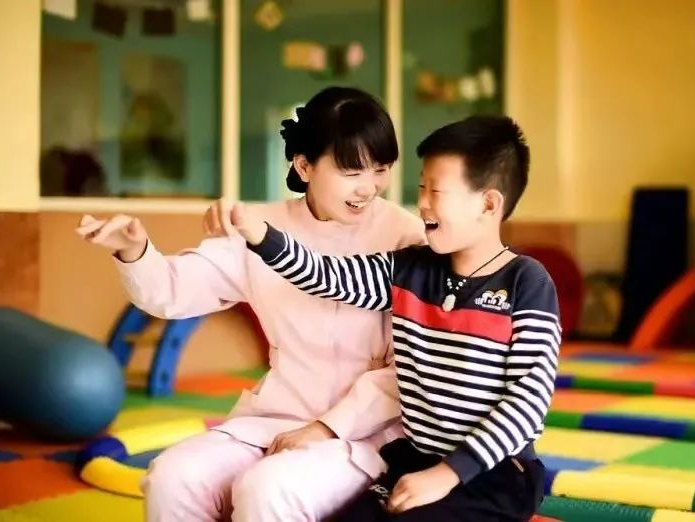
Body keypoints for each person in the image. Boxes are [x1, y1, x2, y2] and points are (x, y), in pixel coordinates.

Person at [75, 86, 424, 522]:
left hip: (368, 434)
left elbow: (411, 369)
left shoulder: (406, 235)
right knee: (172, 478)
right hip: (274, 419)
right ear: (305, 166)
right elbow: (171, 292)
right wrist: (134, 250)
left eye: (381, 169)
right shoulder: (261, 227)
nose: (369, 187)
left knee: (268, 489)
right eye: (352, 171)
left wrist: (327, 428)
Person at [233, 115, 560, 521]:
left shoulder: (527, 282)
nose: (422, 203)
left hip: (494, 473)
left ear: (488, 204)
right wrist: (262, 237)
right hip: (416, 460)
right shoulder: (408, 269)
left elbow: (527, 401)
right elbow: (328, 276)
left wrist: (447, 474)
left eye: (436, 191)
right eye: (421, 187)